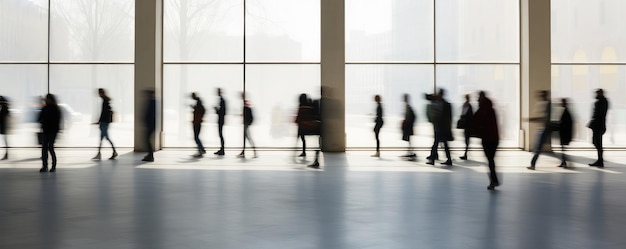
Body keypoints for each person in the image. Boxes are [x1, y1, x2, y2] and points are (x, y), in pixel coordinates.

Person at [472, 91, 499, 190]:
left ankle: (493, 180)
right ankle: (494, 180)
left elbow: (475, 122)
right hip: (494, 138)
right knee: (491, 160)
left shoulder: (482, 110)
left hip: (487, 138)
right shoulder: (491, 109)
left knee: (490, 160)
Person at [427, 89, 453, 166]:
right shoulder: (445, 104)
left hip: (441, 127)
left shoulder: (442, 104)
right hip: (441, 127)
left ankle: (433, 159)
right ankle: (448, 159)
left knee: (437, 143)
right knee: (443, 144)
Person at [527, 90, 551, 170]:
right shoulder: (542, 104)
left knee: (538, 148)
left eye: (542, 94)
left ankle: (533, 164)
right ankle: (532, 164)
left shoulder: (547, 104)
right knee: (537, 147)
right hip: (540, 129)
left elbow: (544, 118)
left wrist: (532, 119)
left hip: (544, 129)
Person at [92, 88, 118, 160]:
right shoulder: (106, 100)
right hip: (105, 122)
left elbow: (104, 113)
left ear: (101, 93)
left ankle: (113, 152)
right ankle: (100, 153)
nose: (98, 94)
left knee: (105, 138)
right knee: (103, 138)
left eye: (99, 93)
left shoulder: (105, 101)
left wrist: (99, 121)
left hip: (104, 122)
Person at [38, 94, 62, 173]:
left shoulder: (50, 108)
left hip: (50, 131)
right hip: (49, 131)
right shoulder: (54, 108)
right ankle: (48, 166)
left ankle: (49, 166)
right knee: (47, 148)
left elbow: (40, 118)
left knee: (49, 148)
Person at [588, 89, 609, 168]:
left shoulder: (600, 102)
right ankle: (600, 160)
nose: (596, 94)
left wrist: (593, 123)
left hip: (598, 126)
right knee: (597, 142)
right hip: (600, 125)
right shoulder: (603, 101)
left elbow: (598, 115)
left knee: (597, 143)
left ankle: (600, 160)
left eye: (597, 93)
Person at [238, 93, 257, 158]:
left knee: (248, 138)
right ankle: (244, 152)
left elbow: (247, 113)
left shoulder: (245, 103)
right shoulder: (246, 103)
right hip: (246, 123)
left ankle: (254, 152)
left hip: (246, 123)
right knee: (246, 138)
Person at [556, 98, 573, 168]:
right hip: (564, 133)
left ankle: (564, 162)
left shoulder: (565, 112)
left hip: (564, 133)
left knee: (563, 148)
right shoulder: (566, 111)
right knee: (563, 148)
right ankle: (563, 162)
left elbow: (564, 124)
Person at [458, 94, 473, 160]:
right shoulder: (468, 106)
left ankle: (466, 154)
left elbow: (464, 114)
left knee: (466, 140)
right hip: (468, 125)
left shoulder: (467, 106)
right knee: (467, 140)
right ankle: (465, 153)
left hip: (467, 125)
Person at [401, 93, 416, 160]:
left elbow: (409, 117)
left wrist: (406, 122)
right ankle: (410, 152)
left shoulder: (407, 107)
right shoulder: (408, 106)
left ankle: (411, 152)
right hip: (409, 125)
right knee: (409, 140)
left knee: (409, 139)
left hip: (408, 126)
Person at [142, 90, 156, 162]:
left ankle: (150, 155)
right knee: (147, 140)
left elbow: (150, 113)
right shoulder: (152, 102)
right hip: (151, 124)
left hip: (151, 124)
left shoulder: (152, 102)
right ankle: (150, 155)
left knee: (147, 139)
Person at [191, 92, 206, 158]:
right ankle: (201, 149)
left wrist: (194, 109)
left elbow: (198, 112)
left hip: (197, 123)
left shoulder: (198, 105)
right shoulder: (199, 105)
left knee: (196, 137)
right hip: (197, 122)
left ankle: (201, 150)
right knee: (196, 137)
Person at [214, 88, 226, 156]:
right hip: (221, 119)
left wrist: (216, 110)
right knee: (220, 134)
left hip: (221, 120)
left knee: (221, 135)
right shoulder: (222, 100)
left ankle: (222, 150)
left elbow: (222, 112)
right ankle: (222, 149)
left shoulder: (222, 100)